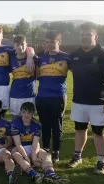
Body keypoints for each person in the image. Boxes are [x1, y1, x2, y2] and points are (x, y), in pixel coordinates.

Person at [68, 22, 104, 174]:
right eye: (82, 35)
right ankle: (77, 156)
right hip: (79, 101)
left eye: (88, 35)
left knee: (99, 132)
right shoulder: (75, 55)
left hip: (99, 102)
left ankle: (101, 161)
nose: (84, 37)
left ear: (95, 35)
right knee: (79, 129)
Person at [10, 102, 70, 184]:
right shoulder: (15, 123)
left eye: (29, 113)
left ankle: (50, 174)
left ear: (33, 114)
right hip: (19, 149)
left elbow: (35, 143)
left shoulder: (37, 124)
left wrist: (34, 158)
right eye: (24, 112)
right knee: (16, 155)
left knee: (46, 155)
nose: (26, 115)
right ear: (20, 112)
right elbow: (17, 144)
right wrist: (26, 156)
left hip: (32, 147)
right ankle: (34, 174)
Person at [35, 30, 71, 163]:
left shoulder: (67, 58)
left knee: (56, 125)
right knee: (44, 125)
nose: (50, 45)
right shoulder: (40, 58)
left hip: (57, 97)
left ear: (59, 42)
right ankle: (45, 148)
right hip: (42, 96)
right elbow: (37, 75)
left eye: (53, 42)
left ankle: (56, 151)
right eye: (48, 42)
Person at [9, 35, 36, 119]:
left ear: (26, 44)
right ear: (14, 46)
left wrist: (30, 57)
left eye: (22, 44)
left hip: (29, 93)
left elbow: (31, 49)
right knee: (15, 119)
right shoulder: (10, 57)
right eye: (17, 45)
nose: (20, 47)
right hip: (15, 94)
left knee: (30, 119)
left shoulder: (34, 59)